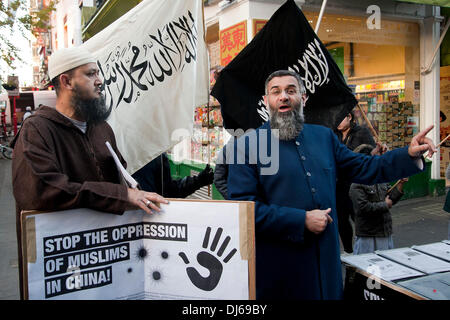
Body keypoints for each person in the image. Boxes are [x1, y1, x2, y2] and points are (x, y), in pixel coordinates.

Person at [227, 69, 436, 300]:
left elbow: (367, 167)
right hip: (281, 270)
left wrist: (408, 154)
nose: (284, 96)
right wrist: (301, 220)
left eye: (291, 90)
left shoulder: (324, 137)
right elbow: (244, 210)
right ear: (266, 101)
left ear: (303, 99)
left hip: (326, 266)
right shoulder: (245, 146)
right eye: (276, 92)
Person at [11, 46, 168, 299]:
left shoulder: (102, 128)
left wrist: (135, 197)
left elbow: (121, 179)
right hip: (66, 269)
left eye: (98, 73)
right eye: (91, 74)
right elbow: (41, 192)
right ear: (66, 81)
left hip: (110, 264)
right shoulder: (37, 130)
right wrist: (121, 195)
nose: (100, 80)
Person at [349, 144, 408, 254]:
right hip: (368, 234)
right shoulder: (357, 184)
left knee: (386, 266)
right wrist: (385, 205)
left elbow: (391, 199)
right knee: (367, 268)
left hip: (385, 231)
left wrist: (400, 184)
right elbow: (363, 208)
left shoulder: (380, 179)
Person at [335, 111, 376, 253]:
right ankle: (348, 249)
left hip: (357, 184)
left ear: (349, 117)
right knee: (341, 219)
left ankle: (364, 249)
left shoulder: (361, 132)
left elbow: (369, 154)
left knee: (359, 217)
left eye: (340, 118)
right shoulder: (335, 134)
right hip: (340, 184)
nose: (338, 122)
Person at [132, 153, 214, 198]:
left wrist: (198, 181)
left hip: (149, 219)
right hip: (151, 218)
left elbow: (169, 190)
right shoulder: (156, 155)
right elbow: (170, 191)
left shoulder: (157, 155)